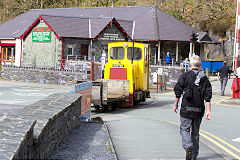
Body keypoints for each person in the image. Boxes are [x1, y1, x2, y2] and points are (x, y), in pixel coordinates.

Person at [173, 55, 212, 160]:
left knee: (184, 129)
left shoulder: (184, 76)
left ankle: (188, 145)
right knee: (195, 132)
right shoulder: (204, 79)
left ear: (190, 65)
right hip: (199, 110)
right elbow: (207, 96)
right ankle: (194, 155)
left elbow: (178, 91)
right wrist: (208, 111)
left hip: (186, 108)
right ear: (200, 65)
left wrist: (176, 104)